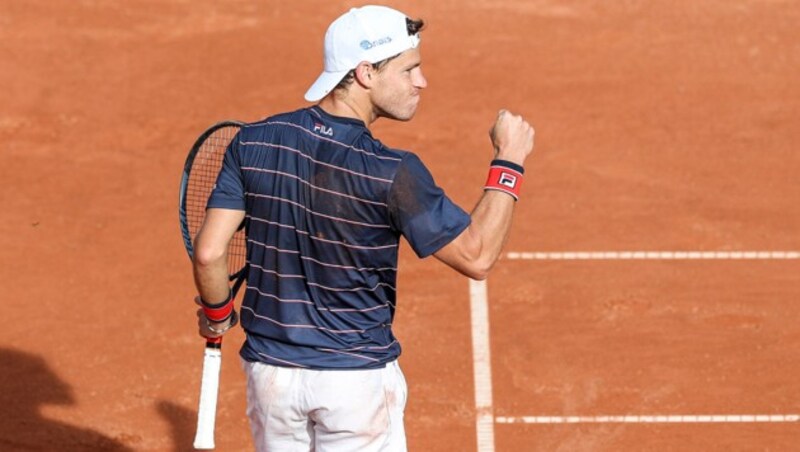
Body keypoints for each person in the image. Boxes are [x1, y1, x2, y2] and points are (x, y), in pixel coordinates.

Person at [191, 5, 534, 451]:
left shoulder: (253, 141)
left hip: (270, 379)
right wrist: (509, 160)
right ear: (366, 72)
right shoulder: (392, 171)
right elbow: (477, 255)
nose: (421, 81)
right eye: (410, 68)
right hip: (354, 386)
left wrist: (217, 315)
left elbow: (210, 253)